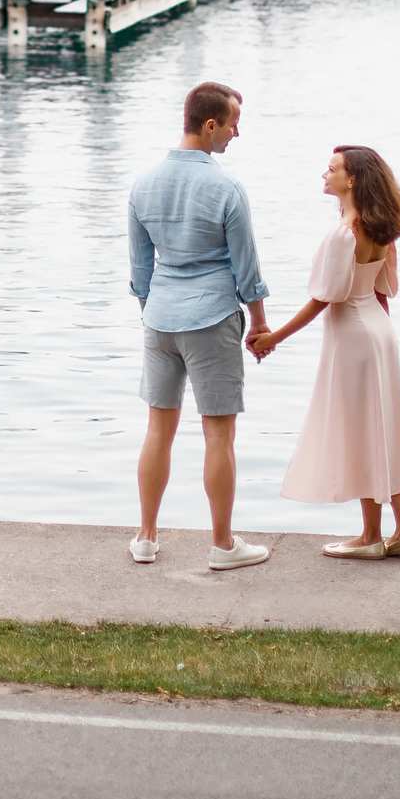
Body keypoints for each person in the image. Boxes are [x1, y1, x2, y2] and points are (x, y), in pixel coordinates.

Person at [127, 81, 272, 570]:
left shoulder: (143, 183)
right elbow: (246, 266)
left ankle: (146, 538)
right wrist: (259, 323)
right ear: (210, 124)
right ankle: (223, 545)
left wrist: (154, 308)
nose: (236, 133)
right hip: (211, 318)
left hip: (160, 319)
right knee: (218, 436)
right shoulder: (226, 187)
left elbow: (140, 271)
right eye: (233, 124)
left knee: (158, 429)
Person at [249, 145, 400, 558]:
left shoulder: (345, 232)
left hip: (354, 336)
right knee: (383, 426)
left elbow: (324, 299)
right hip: (379, 330)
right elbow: (382, 291)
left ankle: (370, 537)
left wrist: (274, 337)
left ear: (353, 179)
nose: (324, 175)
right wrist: (380, 336)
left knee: (361, 429)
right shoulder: (383, 228)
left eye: (332, 169)